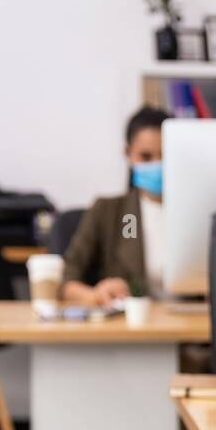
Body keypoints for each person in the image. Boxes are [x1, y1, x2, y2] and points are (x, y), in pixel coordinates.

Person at [63, 104, 170, 305]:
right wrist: (94, 295)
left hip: (194, 328)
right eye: (146, 157)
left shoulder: (203, 216)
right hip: (133, 330)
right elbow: (67, 280)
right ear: (128, 153)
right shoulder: (110, 212)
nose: (157, 164)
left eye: (165, 155)